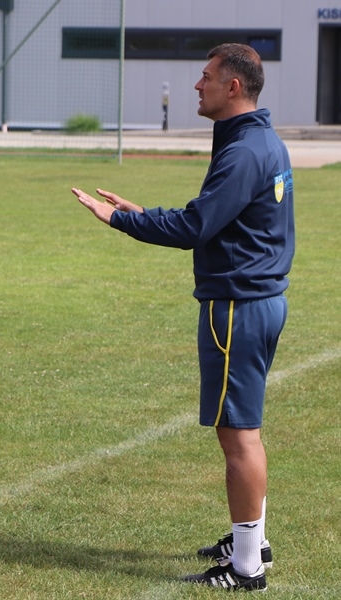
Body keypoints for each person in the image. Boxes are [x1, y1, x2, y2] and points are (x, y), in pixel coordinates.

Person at [71, 43, 294, 591]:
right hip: (259, 300)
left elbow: (195, 227)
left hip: (238, 307)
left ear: (233, 86)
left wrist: (121, 221)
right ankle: (251, 542)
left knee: (238, 434)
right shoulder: (259, 140)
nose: (197, 85)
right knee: (244, 429)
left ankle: (246, 568)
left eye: (206, 76)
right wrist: (144, 213)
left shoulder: (245, 150)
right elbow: (218, 219)